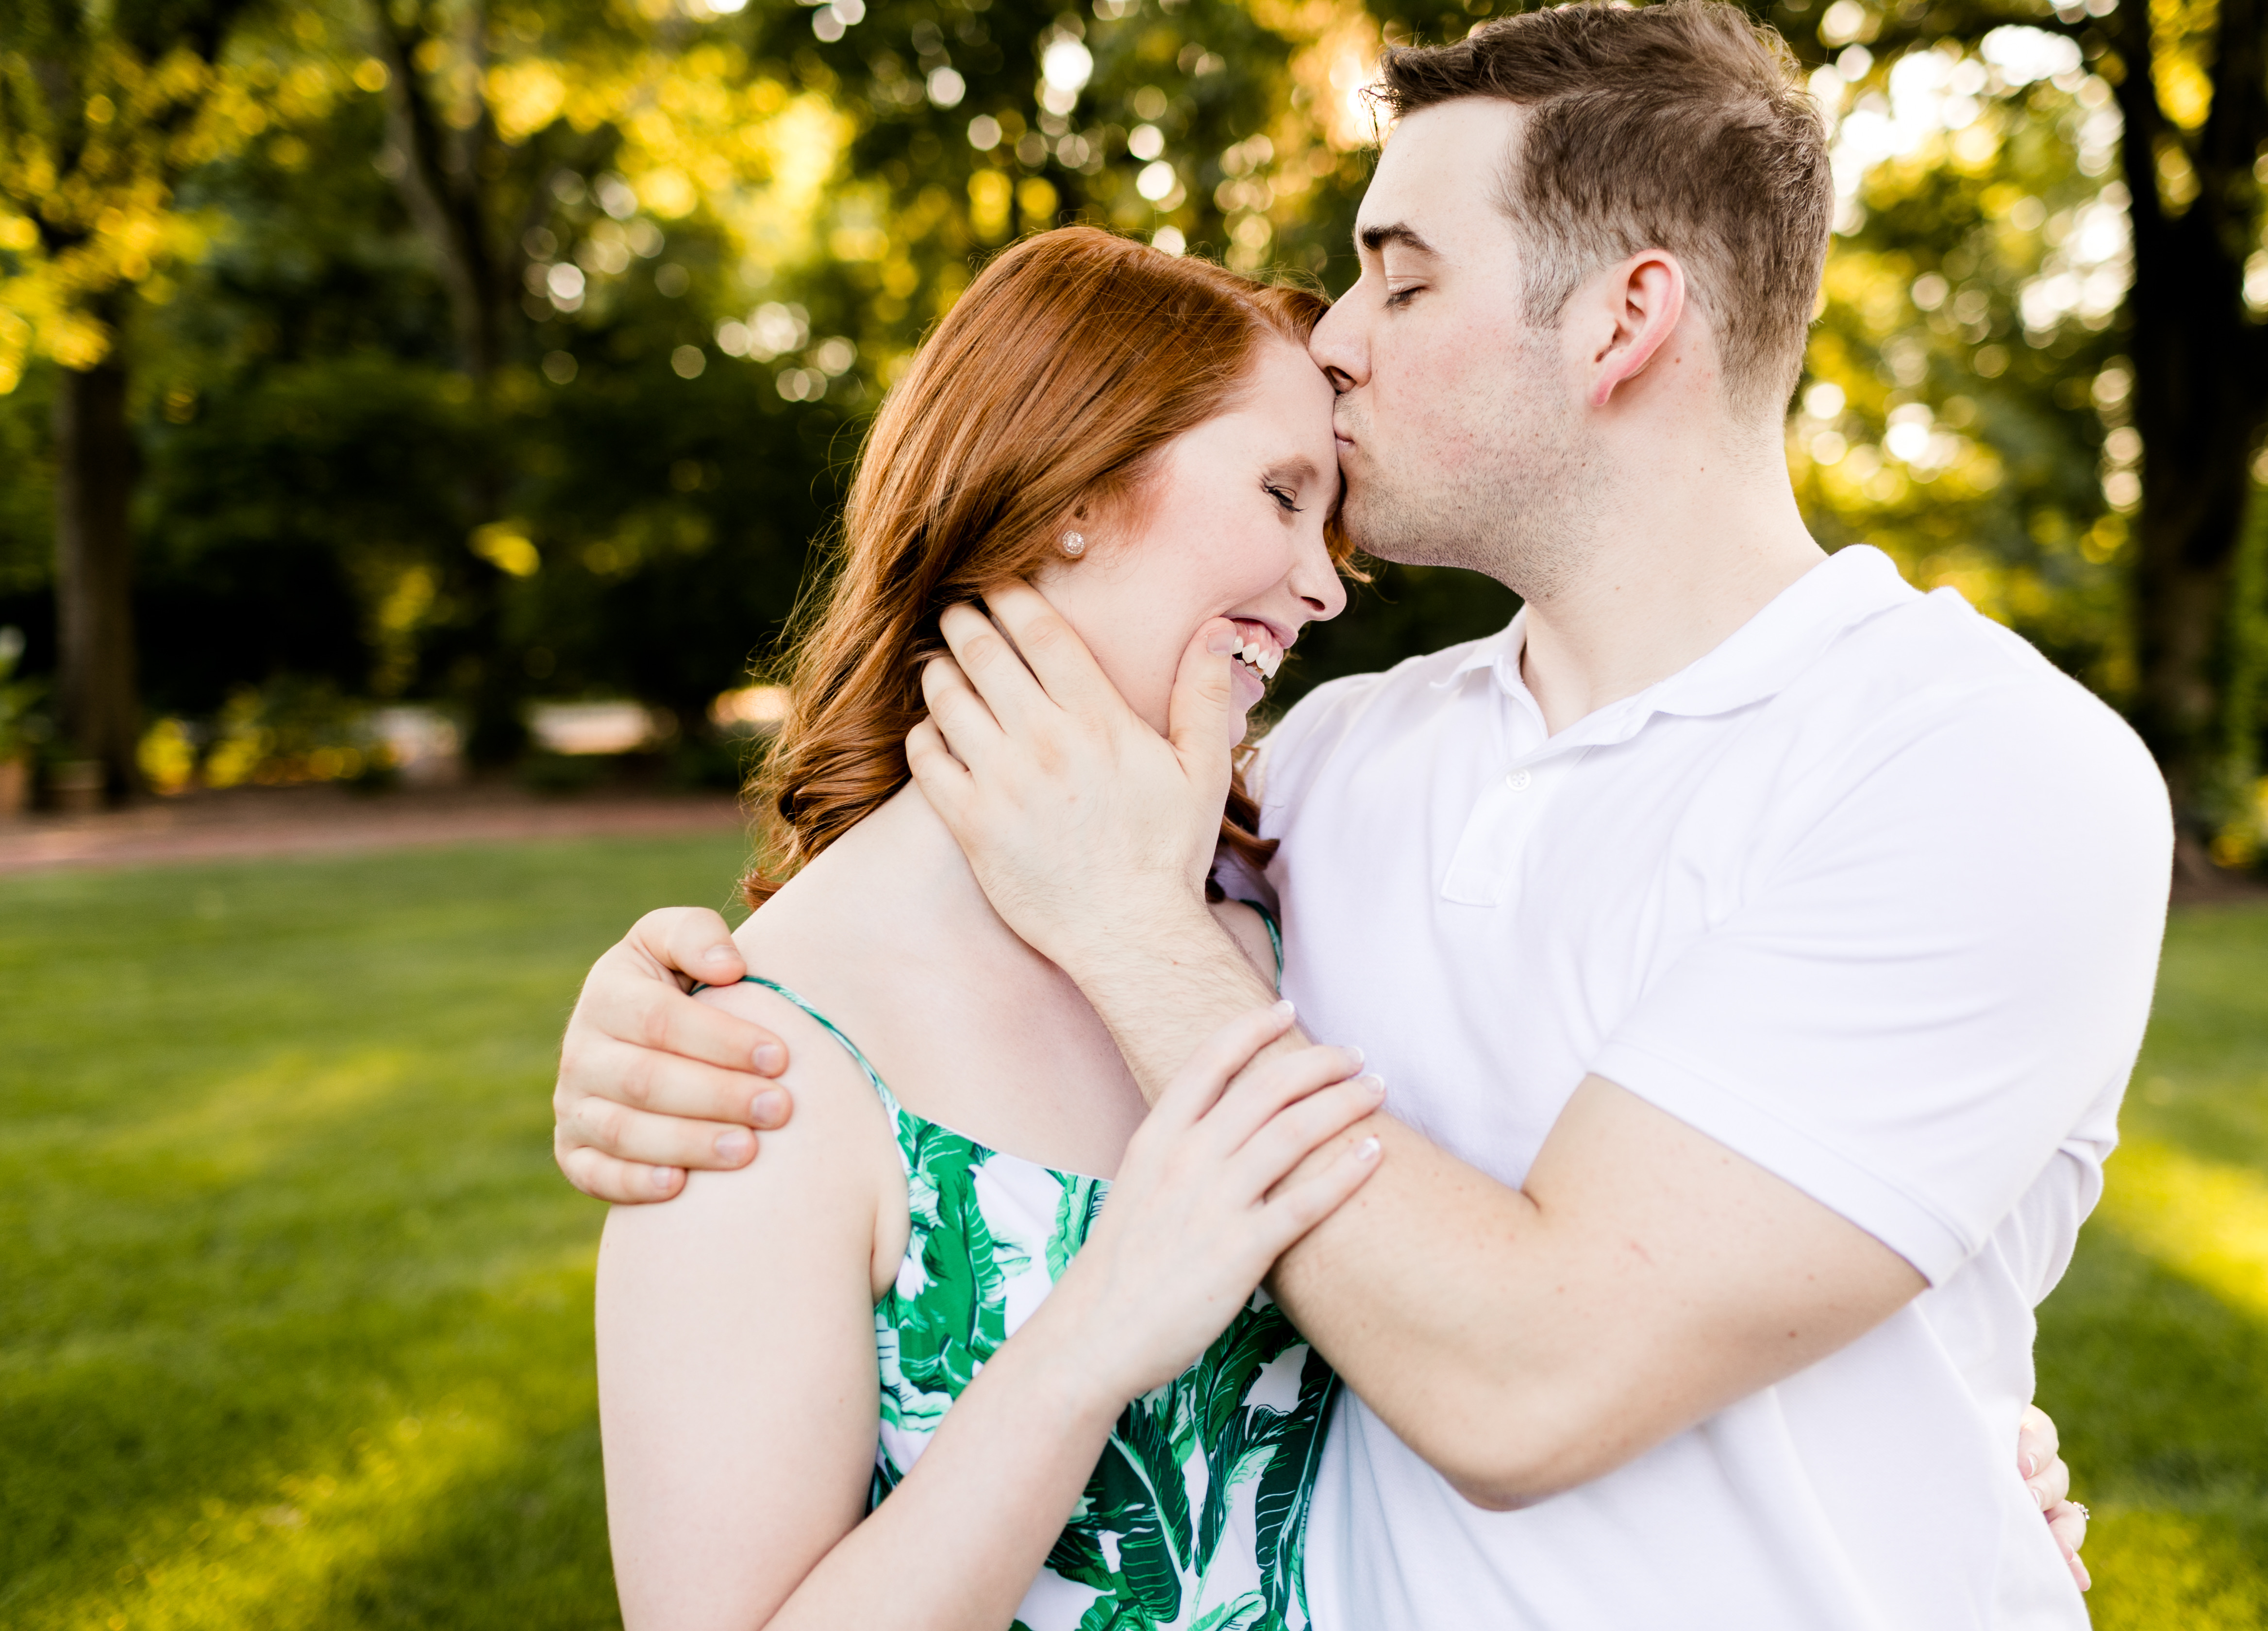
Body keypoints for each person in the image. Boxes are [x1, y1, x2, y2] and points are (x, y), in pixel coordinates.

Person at [564, 5, 2146, 1626]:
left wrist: (1130, 927)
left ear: (1624, 321)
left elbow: (1536, 1382)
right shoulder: (1326, 771)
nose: (1336, 340)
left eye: (1403, 277)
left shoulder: (1984, 766)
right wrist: (655, 1030)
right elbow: (938, 985)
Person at [593, 229, 1393, 1631]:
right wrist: (1095, 1334)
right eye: (1280, 494)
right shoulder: (759, 1071)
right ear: (1073, 489)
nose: (1322, 586)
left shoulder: (1284, 918)